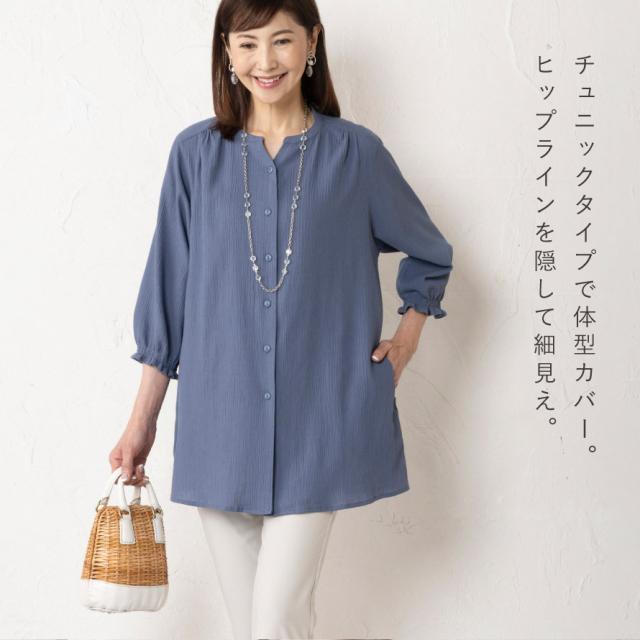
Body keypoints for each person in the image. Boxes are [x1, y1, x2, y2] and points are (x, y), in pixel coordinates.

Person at [109, 1, 454, 638]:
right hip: (219, 429)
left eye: (281, 40)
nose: (264, 61)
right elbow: (166, 297)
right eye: (247, 44)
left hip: (322, 425)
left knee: (275, 622)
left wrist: (405, 341)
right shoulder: (194, 157)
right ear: (226, 51)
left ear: (312, 43)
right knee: (256, 628)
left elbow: (431, 251)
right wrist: (140, 425)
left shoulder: (356, 155)